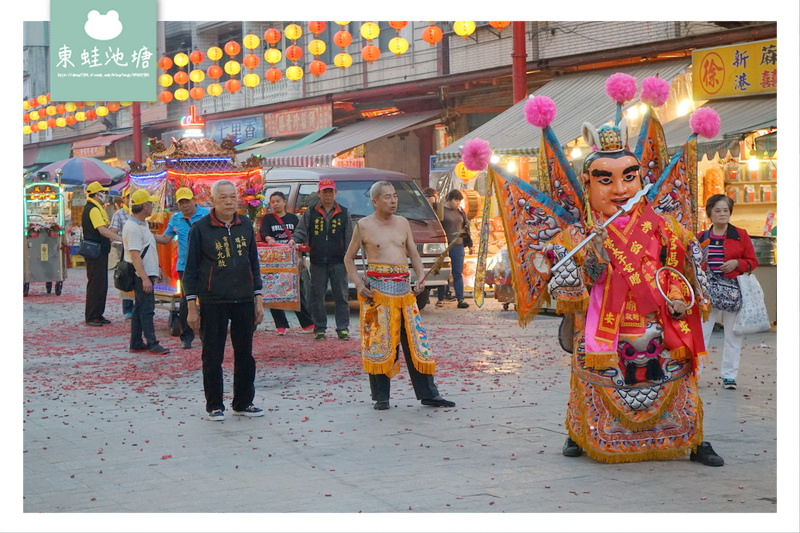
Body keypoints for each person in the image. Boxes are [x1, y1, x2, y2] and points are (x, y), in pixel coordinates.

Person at [344, 180, 455, 411]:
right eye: (387, 197)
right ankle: (381, 397)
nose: (393, 200)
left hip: (404, 290)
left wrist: (421, 276)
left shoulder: (403, 222)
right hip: (378, 293)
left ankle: (429, 394)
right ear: (375, 201)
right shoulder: (362, 225)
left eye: (394, 196)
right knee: (381, 343)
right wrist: (357, 284)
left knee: (417, 344)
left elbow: (413, 252)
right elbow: (348, 258)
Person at [184, 179, 265, 421]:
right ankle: (214, 406)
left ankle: (243, 402)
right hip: (213, 301)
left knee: (245, 354)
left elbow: (254, 264)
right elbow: (191, 271)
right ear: (212, 200)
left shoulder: (246, 225)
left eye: (233, 197)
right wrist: (191, 308)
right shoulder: (200, 229)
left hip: (243, 300)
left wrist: (258, 298)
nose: (229, 201)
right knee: (212, 355)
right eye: (223, 198)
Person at [697, 194, 758, 391]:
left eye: (725, 210)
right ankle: (695, 374)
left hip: (733, 291)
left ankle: (729, 376)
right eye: (718, 211)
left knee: (733, 335)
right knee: (702, 334)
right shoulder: (702, 237)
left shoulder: (741, 234)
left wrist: (737, 263)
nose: (722, 214)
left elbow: (752, 262)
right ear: (710, 214)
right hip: (707, 292)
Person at [289, 179, 353, 341]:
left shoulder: (344, 212)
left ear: (335, 193)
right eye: (325, 192)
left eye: (330, 191)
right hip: (317, 260)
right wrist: (294, 240)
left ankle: (343, 328)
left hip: (338, 261)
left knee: (341, 295)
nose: (328, 195)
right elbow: (301, 231)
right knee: (317, 296)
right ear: (319, 193)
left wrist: (349, 257)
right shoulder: (311, 212)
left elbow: (350, 238)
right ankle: (320, 328)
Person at [154, 187, 210, 349]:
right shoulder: (176, 219)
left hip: (205, 264)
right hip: (184, 266)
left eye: (187, 201)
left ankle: (207, 335)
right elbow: (166, 239)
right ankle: (187, 336)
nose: (185, 205)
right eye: (181, 203)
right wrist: (147, 235)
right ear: (178, 204)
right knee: (186, 301)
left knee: (206, 300)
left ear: (194, 201)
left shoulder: (206, 215)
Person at [259, 191, 314, 335]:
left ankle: (307, 323)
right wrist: (269, 238)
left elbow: (301, 234)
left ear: (284, 202)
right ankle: (281, 325)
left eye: (278, 201)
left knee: (297, 292)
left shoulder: (293, 218)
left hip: (292, 261)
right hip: (275, 260)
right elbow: (264, 232)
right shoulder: (268, 219)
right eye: (272, 202)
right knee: (274, 290)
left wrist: (302, 256)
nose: (275, 204)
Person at [122, 189, 170, 355]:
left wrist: (157, 269)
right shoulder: (133, 227)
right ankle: (152, 343)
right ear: (144, 206)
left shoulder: (142, 225)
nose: (152, 206)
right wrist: (144, 278)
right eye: (150, 203)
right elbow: (135, 255)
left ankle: (136, 342)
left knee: (139, 308)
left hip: (146, 272)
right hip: (140, 275)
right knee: (147, 309)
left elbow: (148, 249)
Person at [82, 181, 121, 326]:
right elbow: (102, 229)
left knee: (101, 283)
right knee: (95, 284)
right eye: (102, 193)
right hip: (95, 252)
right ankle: (92, 316)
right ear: (97, 194)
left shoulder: (96, 208)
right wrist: (119, 238)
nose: (104, 195)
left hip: (100, 251)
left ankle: (98, 314)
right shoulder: (93, 209)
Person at [436, 189, 472, 309]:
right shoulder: (441, 211)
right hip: (445, 245)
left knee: (457, 273)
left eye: (459, 201)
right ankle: (440, 298)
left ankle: (460, 299)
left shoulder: (460, 212)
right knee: (443, 272)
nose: (457, 203)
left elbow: (465, 226)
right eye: (456, 200)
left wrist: (469, 243)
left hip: (458, 245)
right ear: (449, 199)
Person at [109, 187, 133, 319]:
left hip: (140, 251)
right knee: (127, 278)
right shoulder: (118, 215)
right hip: (125, 252)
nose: (131, 200)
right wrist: (122, 240)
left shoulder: (140, 213)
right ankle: (128, 308)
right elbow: (113, 233)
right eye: (129, 197)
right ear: (124, 199)